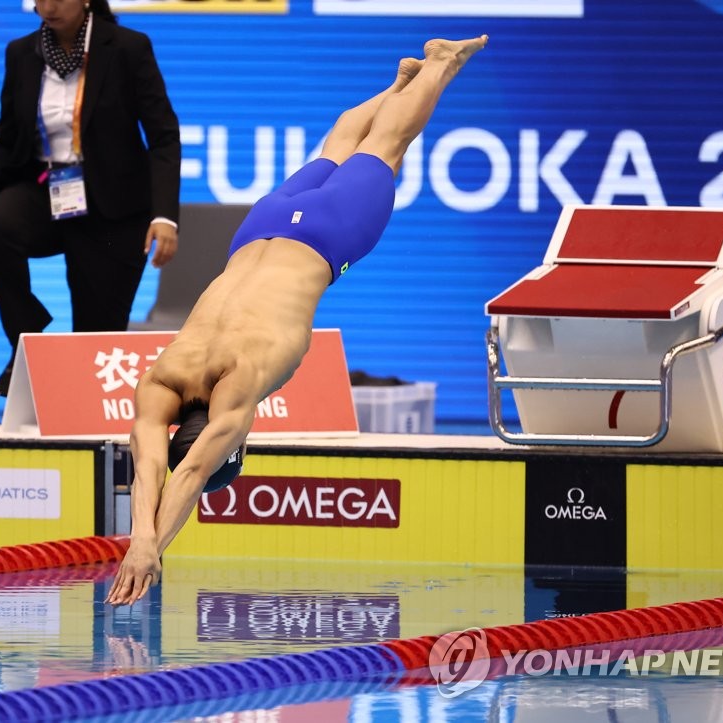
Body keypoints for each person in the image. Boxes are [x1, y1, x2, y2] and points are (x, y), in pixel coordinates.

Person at [106, 35, 489, 606]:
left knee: (387, 144)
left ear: (229, 446)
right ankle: (401, 82)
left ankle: (438, 63)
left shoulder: (239, 388)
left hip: (325, 239)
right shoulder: (161, 376)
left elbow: (185, 476)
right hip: (259, 228)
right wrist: (141, 540)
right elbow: (150, 464)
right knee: (338, 146)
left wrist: (151, 549)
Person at [0, 0, 181, 396]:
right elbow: (6, 143)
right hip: (47, 190)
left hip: (114, 204)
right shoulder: (21, 53)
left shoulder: (127, 48)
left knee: (94, 344)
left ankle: (86, 425)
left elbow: (163, 136)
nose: (49, 5)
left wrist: (164, 216)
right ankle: (27, 344)